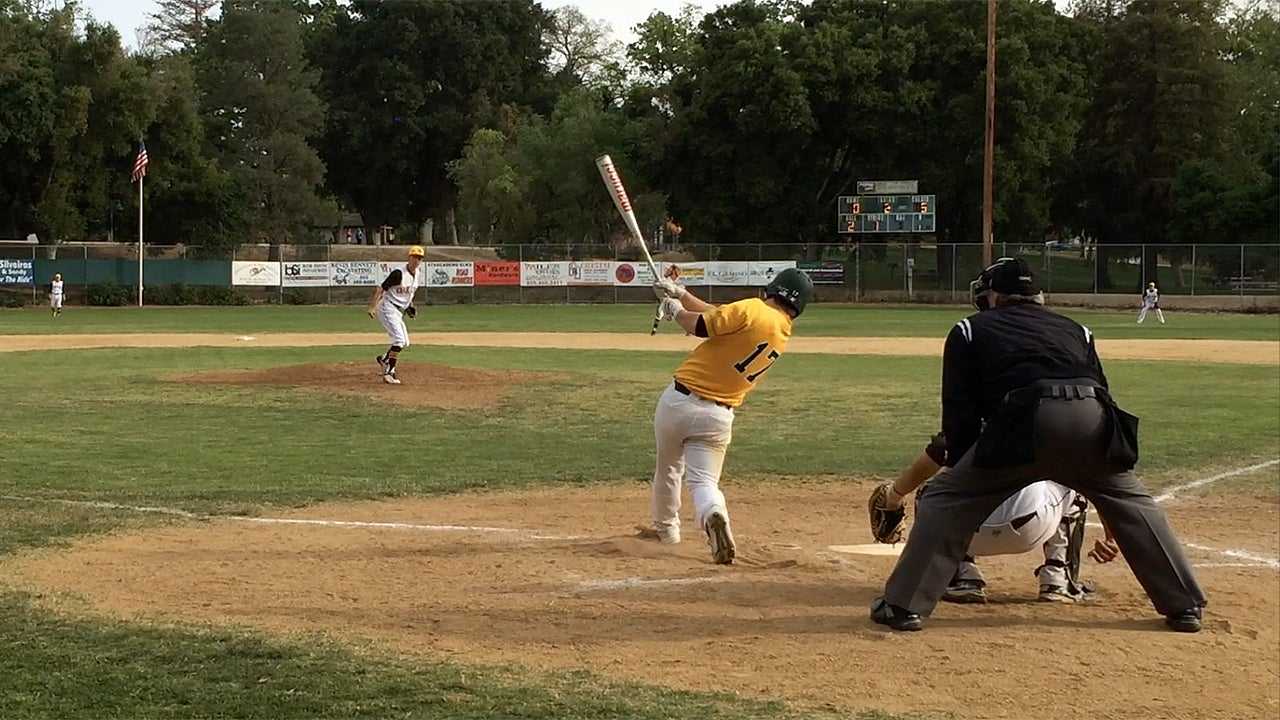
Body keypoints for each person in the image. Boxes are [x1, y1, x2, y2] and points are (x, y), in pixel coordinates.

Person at [869, 257, 1206, 632]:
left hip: (1024, 418)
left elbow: (959, 415)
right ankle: (1185, 606)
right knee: (1133, 502)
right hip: (1092, 416)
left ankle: (904, 605)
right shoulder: (1077, 329)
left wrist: (969, 471)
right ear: (1039, 296)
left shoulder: (969, 329)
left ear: (993, 296)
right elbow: (1102, 394)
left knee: (943, 499)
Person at [643, 267, 814, 564]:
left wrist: (674, 309)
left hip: (680, 403)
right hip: (719, 416)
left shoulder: (754, 307)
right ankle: (713, 512)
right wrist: (680, 293)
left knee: (669, 469)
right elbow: (722, 315)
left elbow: (700, 326)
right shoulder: (781, 329)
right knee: (704, 482)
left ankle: (667, 533)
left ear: (774, 288)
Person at [872, 433, 1095, 605]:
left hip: (970, 533)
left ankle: (962, 574)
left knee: (933, 492)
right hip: (1032, 528)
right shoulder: (1052, 415)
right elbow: (1099, 478)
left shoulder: (974, 411)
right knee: (1073, 481)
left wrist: (894, 496)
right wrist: (1112, 536)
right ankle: (1057, 578)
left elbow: (938, 452)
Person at [367, 245, 425, 385]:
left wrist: (410, 306)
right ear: (409, 257)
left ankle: (385, 359)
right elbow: (381, 288)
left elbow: (409, 292)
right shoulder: (399, 273)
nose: (417, 260)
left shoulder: (417, 273)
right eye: (414, 257)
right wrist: (373, 307)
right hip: (388, 307)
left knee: (405, 342)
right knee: (398, 341)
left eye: (419, 258)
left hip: (398, 310)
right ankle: (389, 372)